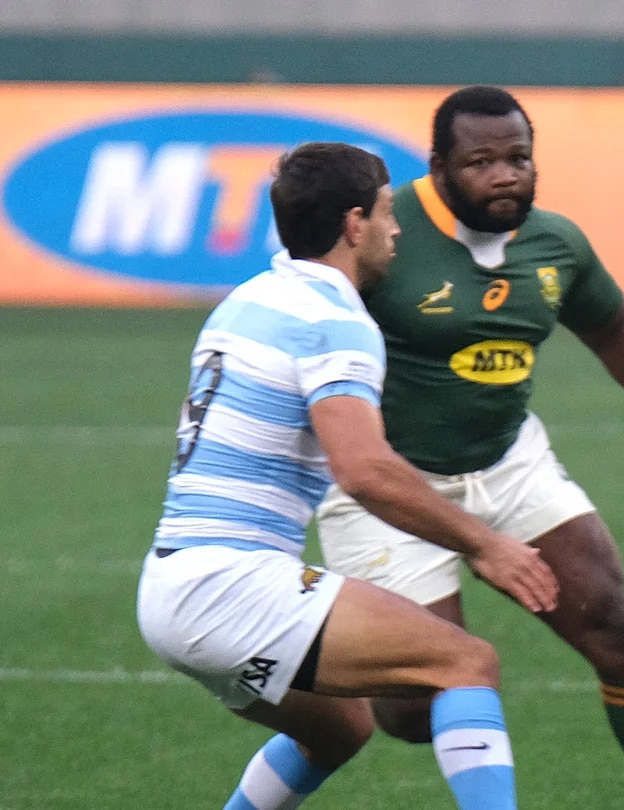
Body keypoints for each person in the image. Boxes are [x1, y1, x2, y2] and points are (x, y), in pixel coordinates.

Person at [314, 85, 624, 810]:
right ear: (439, 167)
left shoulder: (555, 242)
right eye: (481, 163)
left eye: (519, 158)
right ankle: (343, 677)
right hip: (392, 487)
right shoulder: (382, 236)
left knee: (617, 633)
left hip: (509, 464)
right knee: (414, 708)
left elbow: (613, 324)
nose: (505, 175)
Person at [136, 142, 561, 810]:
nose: (397, 230)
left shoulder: (251, 298)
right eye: (388, 212)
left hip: (170, 587)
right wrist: (485, 544)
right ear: (354, 224)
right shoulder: (333, 321)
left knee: (339, 729)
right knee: (465, 662)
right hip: (231, 587)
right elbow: (364, 470)